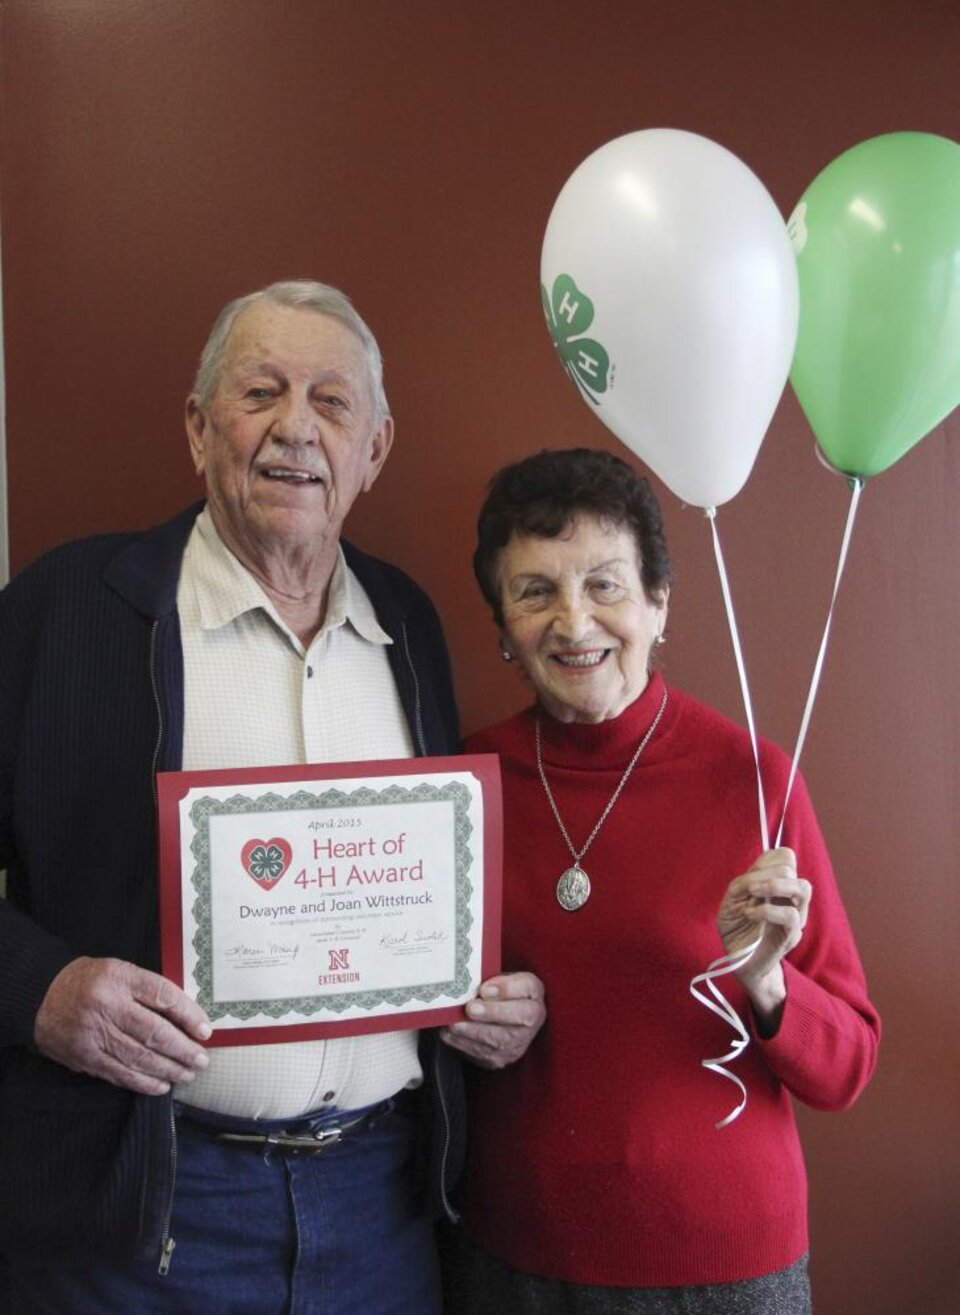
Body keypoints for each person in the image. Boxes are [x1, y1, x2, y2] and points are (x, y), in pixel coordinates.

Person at [0, 279, 544, 1314]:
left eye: (332, 403)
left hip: (380, 1208)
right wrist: (38, 989)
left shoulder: (409, 624)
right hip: (141, 1215)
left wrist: (486, 996)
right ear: (199, 427)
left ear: (374, 450)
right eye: (261, 391)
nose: (296, 427)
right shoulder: (64, 608)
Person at [441, 447, 880, 1315]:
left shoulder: (753, 776)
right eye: (536, 592)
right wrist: (463, 1017)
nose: (574, 622)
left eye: (605, 584)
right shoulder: (463, 778)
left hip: (724, 1267)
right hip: (514, 1257)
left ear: (658, 603)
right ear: (501, 625)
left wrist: (763, 979)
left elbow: (848, 1064)